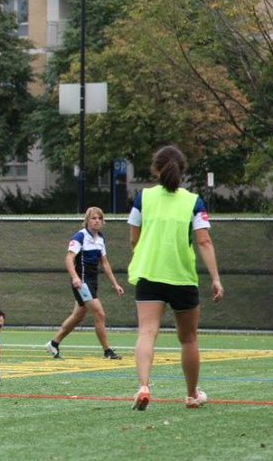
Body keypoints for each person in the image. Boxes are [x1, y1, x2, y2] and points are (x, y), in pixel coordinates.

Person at [127, 144, 224, 411]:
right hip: (182, 277)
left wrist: (148, 254)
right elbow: (204, 242)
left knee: (147, 332)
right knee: (189, 338)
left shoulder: (142, 198)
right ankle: (192, 395)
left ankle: (144, 386)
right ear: (182, 171)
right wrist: (215, 278)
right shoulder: (194, 201)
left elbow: (134, 238)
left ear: (155, 170)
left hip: (149, 275)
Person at [46, 207, 124, 361]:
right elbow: (69, 259)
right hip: (82, 283)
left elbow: (105, 263)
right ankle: (108, 351)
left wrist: (115, 284)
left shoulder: (100, 238)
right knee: (100, 313)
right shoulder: (80, 236)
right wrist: (75, 278)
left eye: (99, 218)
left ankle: (54, 343)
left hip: (92, 282)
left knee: (78, 316)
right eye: (93, 218)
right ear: (87, 220)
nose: (97, 221)